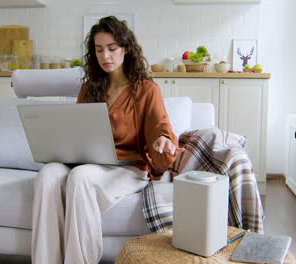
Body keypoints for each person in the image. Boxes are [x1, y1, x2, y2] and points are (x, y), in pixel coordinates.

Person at [31, 16, 184, 264]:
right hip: (87, 163)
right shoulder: (89, 89)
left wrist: (163, 141)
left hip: (127, 167)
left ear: (126, 49)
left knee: (80, 179)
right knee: (47, 174)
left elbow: (160, 128)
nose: (106, 56)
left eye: (112, 49)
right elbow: (77, 134)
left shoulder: (145, 90)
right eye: (99, 50)